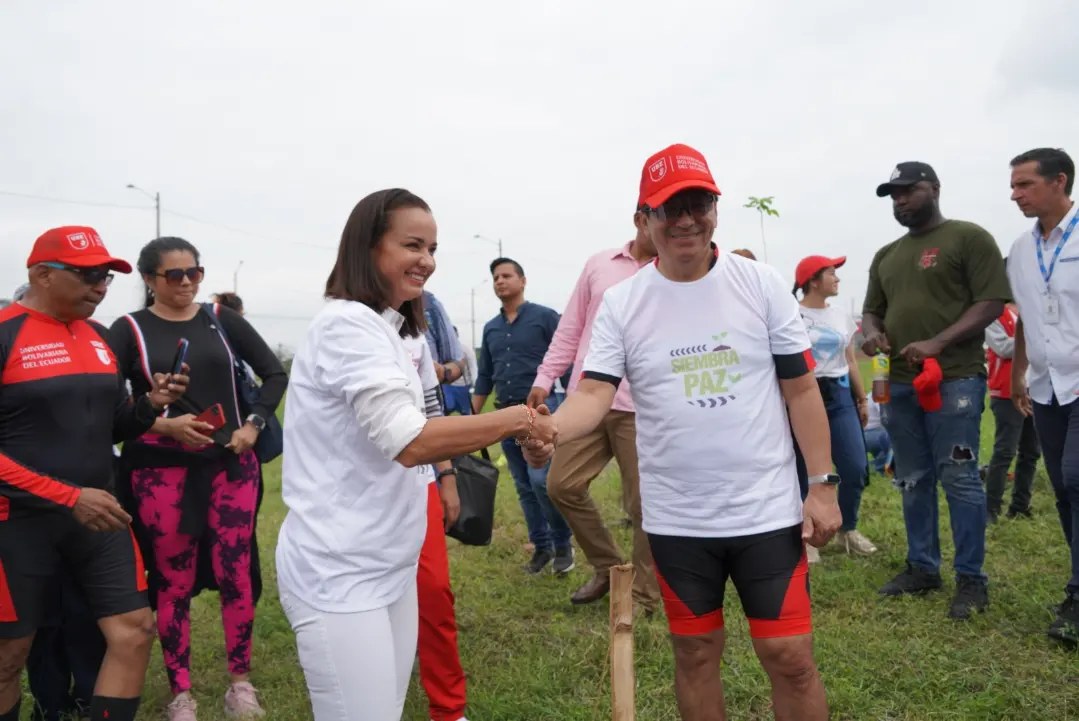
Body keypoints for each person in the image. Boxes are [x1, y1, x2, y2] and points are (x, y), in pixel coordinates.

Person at [524, 144, 841, 721]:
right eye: (669, 208)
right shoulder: (623, 302)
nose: (686, 219)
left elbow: (800, 389)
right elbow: (593, 393)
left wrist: (822, 485)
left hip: (764, 511)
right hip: (678, 519)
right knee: (695, 653)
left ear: (716, 208)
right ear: (644, 219)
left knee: (790, 655)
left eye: (698, 202)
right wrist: (550, 429)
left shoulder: (761, 284)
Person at [275, 188, 556, 721]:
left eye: (432, 247)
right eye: (412, 245)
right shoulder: (346, 326)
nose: (426, 260)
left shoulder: (390, 327)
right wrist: (519, 419)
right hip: (340, 571)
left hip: (389, 563)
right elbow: (411, 441)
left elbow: (424, 422)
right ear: (368, 246)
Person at [0, 225, 188, 721]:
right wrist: (64, 496)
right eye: (86, 275)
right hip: (15, 524)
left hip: (97, 515)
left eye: (105, 275)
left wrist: (150, 405)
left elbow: (114, 425)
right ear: (41, 274)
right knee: (8, 657)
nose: (100, 286)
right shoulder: (5, 333)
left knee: (133, 630)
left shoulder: (99, 337)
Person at [108, 237, 288, 720]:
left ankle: (240, 683)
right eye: (174, 275)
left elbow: (273, 374)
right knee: (172, 579)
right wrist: (161, 423)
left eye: (195, 272)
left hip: (230, 465)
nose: (186, 282)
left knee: (236, 572)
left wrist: (253, 425)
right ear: (148, 280)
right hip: (159, 472)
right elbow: (107, 406)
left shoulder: (220, 320)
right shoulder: (128, 331)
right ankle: (180, 693)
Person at [862, 161, 1009, 620]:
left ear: (935, 188)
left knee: (960, 476)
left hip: (955, 380)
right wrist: (870, 334)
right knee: (911, 478)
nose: (900, 200)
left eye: (909, 190)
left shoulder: (968, 238)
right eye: (893, 194)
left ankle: (971, 579)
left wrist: (939, 342)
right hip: (900, 387)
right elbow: (872, 313)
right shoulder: (887, 254)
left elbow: (991, 303)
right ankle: (922, 567)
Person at [529, 215, 662, 612]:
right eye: (663, 214)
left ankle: (643, 595)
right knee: (560, 485)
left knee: (643, 506)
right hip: (586, 398)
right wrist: (545, 375)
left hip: (641, 405)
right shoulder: (599, 264)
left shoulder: (673, 272)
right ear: (642, 218)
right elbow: (571, 327)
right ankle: (608, 566)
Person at [1006, 147, 1079, 644]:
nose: (1015, 194)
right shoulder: (1019, 249)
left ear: (1060, 181)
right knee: (1064, 489)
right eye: (1013, 186)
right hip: (1046, 386)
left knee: (1077, 478)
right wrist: (1018, 373)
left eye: (1025, 184)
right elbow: (1027, 319)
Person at [473, 257, 575, 575]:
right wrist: (470, 414)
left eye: (506, 275)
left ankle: (563, 545)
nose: (500, 281)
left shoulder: (544, 318)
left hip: (540, 411)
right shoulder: (491, 328)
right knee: (522, 484)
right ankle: (541, 547)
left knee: (542, 481)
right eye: (495, 277)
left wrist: (575, 403)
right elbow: (485, 377)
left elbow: (566, 359)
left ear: (522, 280)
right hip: (505, 413)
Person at [401, 332, 470, 721]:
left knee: (434, 590)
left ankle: (448, 708)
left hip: (419, 481)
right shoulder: (344, 329)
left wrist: (446, 476)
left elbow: (432, 411)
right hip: (364, 493)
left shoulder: (416, 341)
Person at [794, 255, 878, 559]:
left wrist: (860, 398)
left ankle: (849, 528)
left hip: (840, 394)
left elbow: (850, 359)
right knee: (803, 469)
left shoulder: (841, 316)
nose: (837, 278)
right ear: (813, 281)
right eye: (831, 273)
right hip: (805, 392)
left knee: (855, 466)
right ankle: (806, 534)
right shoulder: (792, 314)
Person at [984, 301, 1040, 523]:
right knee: (1005, 451)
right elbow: (1002, 347)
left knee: (1031, 451)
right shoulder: (994, 313)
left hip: (1035, 390)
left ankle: (1020, 505)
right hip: (1006, 392)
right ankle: (991, 508)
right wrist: (1035, 340)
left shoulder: (1030, 309)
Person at [443, 326, 476, 415]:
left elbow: (473, 367)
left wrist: (474, 384)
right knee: (446, 408)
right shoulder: (443, 350)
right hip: (448, 386)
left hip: (464, 386)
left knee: (466, 413)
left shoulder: (466, 350)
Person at [863, 397, 893, 476]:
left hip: (874, 433)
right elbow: (888, 420)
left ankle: (879, 464)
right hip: (867, 435)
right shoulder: (881, 394)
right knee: (894, 437)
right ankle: (875, 467)